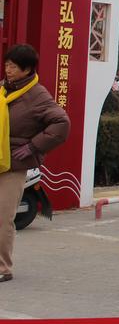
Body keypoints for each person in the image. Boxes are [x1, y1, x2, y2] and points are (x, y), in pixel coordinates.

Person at [0, 44, 70, 283]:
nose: (7, 69)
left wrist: (32, 147)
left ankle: (3, 267)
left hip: (13, 165)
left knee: (2, 216)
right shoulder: (3, 89)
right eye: (7, 64)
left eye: (13, 66)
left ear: (27, 69)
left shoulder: (38, 96)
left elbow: (61, 124)